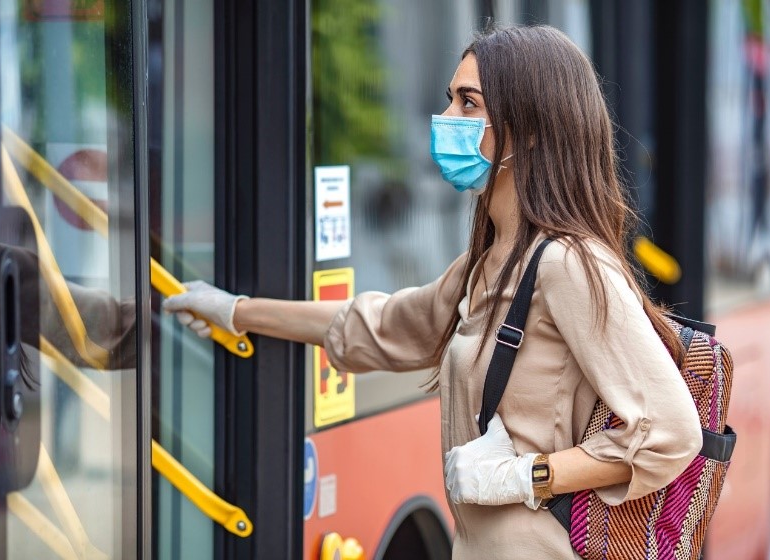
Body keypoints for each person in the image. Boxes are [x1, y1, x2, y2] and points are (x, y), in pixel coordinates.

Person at [163, 25, 702, 559]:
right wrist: (235, 311)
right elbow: (380, 327)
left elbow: (672, 433)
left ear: (532, 128)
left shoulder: (567, 263)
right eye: (451, 101)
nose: (446, 121)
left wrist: (524, 477)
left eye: (469, 104)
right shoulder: (490, 263)